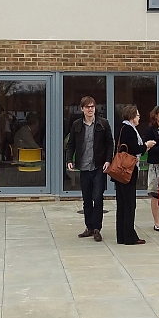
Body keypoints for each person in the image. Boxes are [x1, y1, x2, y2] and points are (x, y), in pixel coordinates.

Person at [65, 96, 113, 242]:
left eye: (92, 106)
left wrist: (108, 160)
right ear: (82, 109)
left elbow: (110, 143)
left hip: (98, 166)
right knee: (87, 199)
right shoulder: (76, 125)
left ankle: (97, 228)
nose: (90, 109)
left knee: (97, 198)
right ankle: (89, 227)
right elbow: (71, 144)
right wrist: (69, 159)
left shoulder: (103, 123)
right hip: (84, 167)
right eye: (87, 107)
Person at [114, 105, 156, 245]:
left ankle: (122, 235)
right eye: (137, 115)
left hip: (120, 170)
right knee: (129, 204)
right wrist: (146, 146)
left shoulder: (121, 128)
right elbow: (134, 149)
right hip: (128, 170)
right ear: (132, 116)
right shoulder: (129, 130)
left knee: (122, 204)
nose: (139, 117)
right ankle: (129, 237)